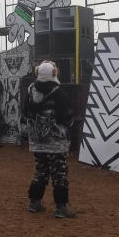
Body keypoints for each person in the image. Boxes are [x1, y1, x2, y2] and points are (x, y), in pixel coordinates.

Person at [25, 60, 77, 218]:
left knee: (40, 170)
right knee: (59, 173)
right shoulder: (59, 93)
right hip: (55, 142)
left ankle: (34, 203)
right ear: (54, 73)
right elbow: (67, 117)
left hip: (37, 141)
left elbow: (25, 113)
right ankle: (61, 207)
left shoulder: (30, 92)